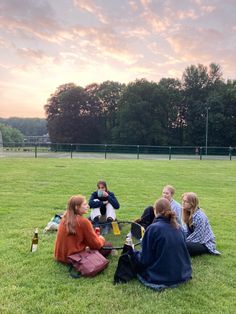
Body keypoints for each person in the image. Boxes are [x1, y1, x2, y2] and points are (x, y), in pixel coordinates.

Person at [132, 198, 192, 291]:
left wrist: (133, 252)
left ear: (155, 211)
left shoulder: (153, 228)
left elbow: (145, 259)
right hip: (182, 273)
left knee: (132, 256)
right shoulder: (179, 227)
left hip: (162, 276)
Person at [54, 195, 106, 264]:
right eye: (84, 204)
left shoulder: (65, 217)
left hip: (60, 256)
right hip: (73, 257)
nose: (87, 206)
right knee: (107, 246)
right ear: (76, 207)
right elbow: (96, 245)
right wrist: (101, 239)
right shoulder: (83, 221)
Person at [182, 192, 220, 256]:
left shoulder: (200, 216)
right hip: (193, 240)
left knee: (184, 246)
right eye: (183, 200)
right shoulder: (187, 213)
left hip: (204, 243)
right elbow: (186, 231)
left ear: (192, 203)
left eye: (186, 201)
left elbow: (198, 237)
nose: (183, 203)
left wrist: (182, 242)